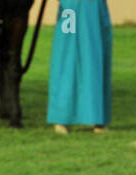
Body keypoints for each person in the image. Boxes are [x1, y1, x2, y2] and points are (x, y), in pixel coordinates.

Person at [47, 0, 112, 134]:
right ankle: (61, 118)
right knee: (66, 57)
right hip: (70, 8)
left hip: (94, 7)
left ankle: (98, 118)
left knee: (95, 58)